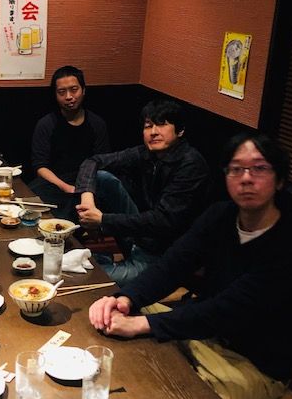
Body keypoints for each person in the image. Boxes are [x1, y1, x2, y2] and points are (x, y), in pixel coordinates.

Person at [88, 133, 292, 399]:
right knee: (111, 319)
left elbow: (227, 310)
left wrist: (141, 324)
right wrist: (124, 299)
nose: (246, 178)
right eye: (236, 169)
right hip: (201, 331)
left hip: (253, 361)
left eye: (259, 168)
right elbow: (172, 265)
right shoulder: (221, 215)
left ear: (279, 180)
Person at [74, 98, 210, 285]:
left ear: (180, 130)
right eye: (148, 126)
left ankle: (106, 262)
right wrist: (88, 202)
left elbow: (163, 221)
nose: (153, 132)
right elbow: (92, 162)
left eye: (161, 124)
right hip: (142, 235)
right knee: (102, 177)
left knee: (83, 276)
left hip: (165, 252)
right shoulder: (147, 153)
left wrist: (103, 220)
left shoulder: (191, 164)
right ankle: (91, 249)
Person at [29, 65, 110, 219]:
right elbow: (40, 166)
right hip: (55, 183)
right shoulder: (46, 124)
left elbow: (103, 162)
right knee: (32, 199)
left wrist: (85, 189)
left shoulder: (97, 124)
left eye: (74, 90)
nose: (68, 96)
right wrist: (64, 186)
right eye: (62, 92)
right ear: (55, 95)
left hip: (88, 185)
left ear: (83, 90)